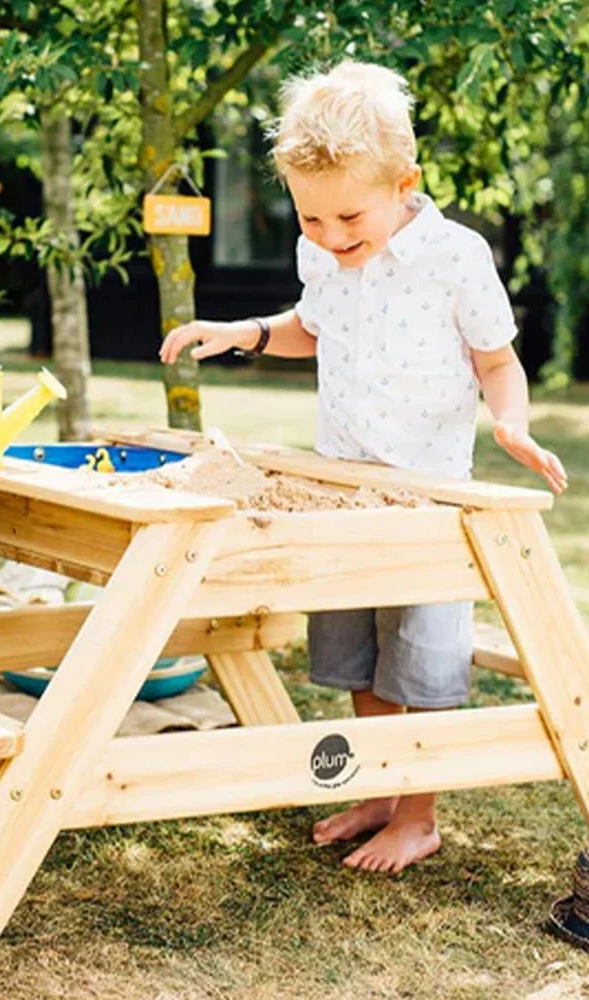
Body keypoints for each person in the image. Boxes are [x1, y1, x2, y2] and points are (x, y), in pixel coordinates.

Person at [160, 61, 567, 874]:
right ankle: (380, 790)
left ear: (404, 182)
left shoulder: (456, 257)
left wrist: (511, 425)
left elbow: (497, 362)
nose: (331, 235)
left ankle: (419, 816)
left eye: (348, 216)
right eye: (310, 218)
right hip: (341, 490)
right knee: (355, 651)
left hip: (427, 499)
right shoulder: (323, 254)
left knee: (421, 660)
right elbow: (315, 327)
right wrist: (245, 331)